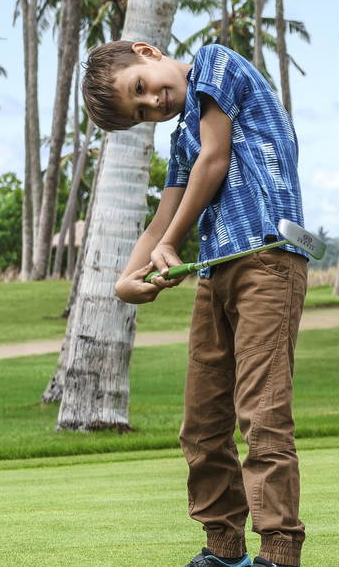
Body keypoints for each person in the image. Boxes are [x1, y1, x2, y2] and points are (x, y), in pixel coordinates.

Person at [81, 40, 310, 567]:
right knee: (203, 424)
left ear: (148, 52)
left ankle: (278, 552)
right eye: (141, 112)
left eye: (141, 88)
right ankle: (224, 550)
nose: (152, 104)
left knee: (262, 414)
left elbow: (216, 159)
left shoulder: (214, 62)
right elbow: (160, 222)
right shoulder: (183, 133)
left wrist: (169, 245)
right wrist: (124, 281)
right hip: (215, 273)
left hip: (268, 263)